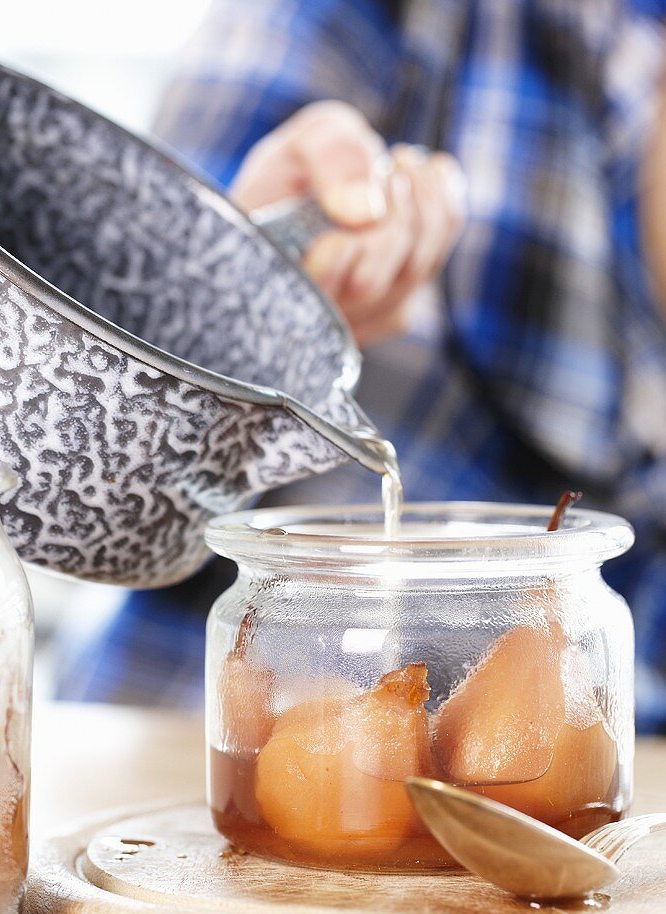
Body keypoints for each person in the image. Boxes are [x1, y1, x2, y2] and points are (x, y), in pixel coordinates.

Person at [56, 0, 666, 733]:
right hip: (155, 790)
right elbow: (77, 464)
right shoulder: (383, 23)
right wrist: (224, 301)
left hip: (605, 838)